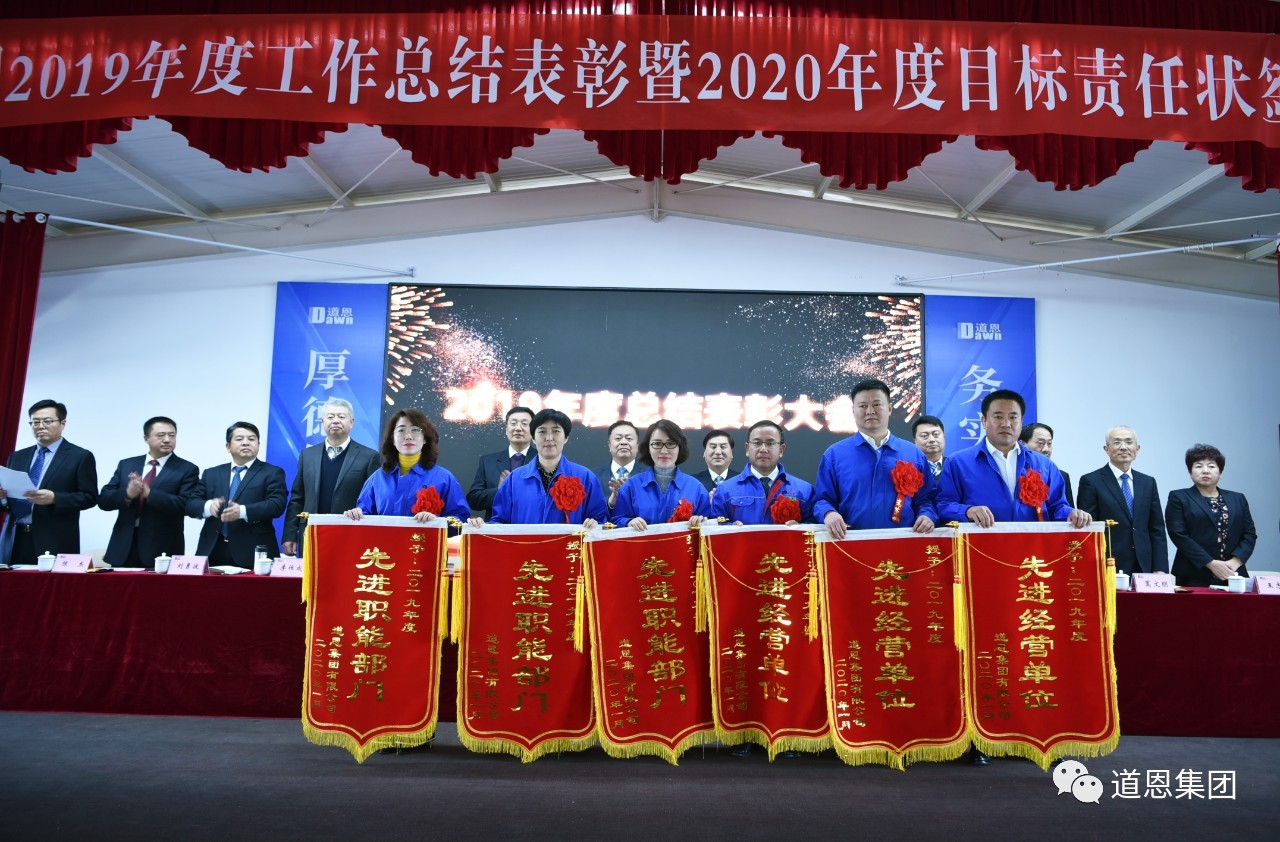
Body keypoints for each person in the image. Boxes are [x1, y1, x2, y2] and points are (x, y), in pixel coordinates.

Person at [938, 391, 1090, 528]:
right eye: (998, 417)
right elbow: (943, 505)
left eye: (1013, 417)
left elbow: (1057, 507)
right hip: (980, 546)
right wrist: (967, 511)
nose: (1006, 424)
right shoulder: (958, 462)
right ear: (984, 421)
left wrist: (1071, 513)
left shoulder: (1044, 465)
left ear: (1021, 421)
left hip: (1033, 547)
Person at [813, 379, 937, 539]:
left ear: (889, 408)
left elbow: (927, 499)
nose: (870, 411)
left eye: (877, 404)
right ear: (853, 410)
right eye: (863, 406)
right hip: (850, 543)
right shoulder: (834, 454)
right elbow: (821, 500)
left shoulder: (913, 453)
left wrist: (927, 515)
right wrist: (829, 513)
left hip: (903, 542)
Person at [0, 399, 98, 566]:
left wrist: (55, 498)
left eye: (47, 421)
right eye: (35, 422)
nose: (40, 426)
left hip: (53, 540)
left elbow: (90, 497)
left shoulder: (80, 456)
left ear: (62, 423)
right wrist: (2, 497)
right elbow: (9, 502)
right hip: (15, 538)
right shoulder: (17, 457)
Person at [474, 408, 607, 526]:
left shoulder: (585, 477)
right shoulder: (514, 479)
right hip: (525, 547)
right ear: (533, 437)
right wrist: (481, 526)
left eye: (556, 431)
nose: (549, 438)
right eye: (542, 431)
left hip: (569, 547)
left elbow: (600, 520)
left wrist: (594, 523)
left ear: (566, 437)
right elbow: (499, 522)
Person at [282, 398, 380, 556]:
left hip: (351, 534)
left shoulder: (369, 457)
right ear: (322, 422)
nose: (335, 420)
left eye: (341, 416)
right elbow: (297, 498)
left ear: (352, 422)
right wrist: (289, 534)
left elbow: (375, 500)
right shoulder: (307, 455)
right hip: (312, 533)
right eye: (330, 416)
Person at [98, 416, 200, 568]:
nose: (167, 439)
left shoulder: (187, 469)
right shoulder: (127, 464)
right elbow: (104, 500)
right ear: (146, 438)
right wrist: (127, 494)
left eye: (172, 435)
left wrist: (150, 494)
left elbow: (187, 505)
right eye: (161, 435)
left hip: (162, 548)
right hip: (124, 546)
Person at [188, 422, 288, 568]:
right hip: (212, 550)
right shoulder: (211, 473)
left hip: (253, 551)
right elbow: (191, 504)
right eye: (239, 439)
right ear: (228, 446)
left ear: (258, 445)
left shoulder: (272, 473)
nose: (246, 442)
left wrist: (242, 511)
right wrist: (209, 507)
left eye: (251, 439)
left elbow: (276, 505)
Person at [345, 409, 469, 522]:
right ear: (393, 439)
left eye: (415, 430)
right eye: (401, 430)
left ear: (425, 438)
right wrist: (355, 514)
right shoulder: (377, 478)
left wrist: (437, 521)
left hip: (425, 540)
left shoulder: (444, 478)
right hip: (384, 540)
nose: (408, 436)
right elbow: (364, 517)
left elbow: (461, 519)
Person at [1077, 426, 1168, 574]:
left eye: (1129, 442)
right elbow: (1089, 529)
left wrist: (1160, 568)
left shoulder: (1148, 482)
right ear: (1106, 449)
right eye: (1117, 442)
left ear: (1137, 448)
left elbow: (1157, 528)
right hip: (1108, 563)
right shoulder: (1091, 481)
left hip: (1144, 564)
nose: (1124, 447)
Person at [1166, 444, 1256, 587]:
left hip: (1233, 573)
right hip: (1194, 574)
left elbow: (1249, 534)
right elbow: (1178, 534)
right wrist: (1210, 563)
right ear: (1190, 472)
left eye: (1212, 466)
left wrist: (1235, 562)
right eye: (1198, 466)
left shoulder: (1238, 498)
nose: (1205, 470)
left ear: (1221, 472)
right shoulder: (1179, 497)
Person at [612, 419, 712, 530]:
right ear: (648, 448)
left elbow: (711, 526)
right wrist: (628, 522)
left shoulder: (696, 488)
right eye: (657, 444)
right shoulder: (631, 486)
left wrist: (701, 521)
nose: (664, 451)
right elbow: (616, 521)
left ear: (679, 447)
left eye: (671, 444)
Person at [711, 420, 815, 525]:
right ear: (747, 448)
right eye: (757, 443)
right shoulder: (725, 490)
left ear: (781, 450)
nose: (763, 449)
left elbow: (816, 527)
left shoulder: (804, 490)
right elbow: (714, 527)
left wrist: (799, 528)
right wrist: (730, 528)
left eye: (770, 443)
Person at [466, 406, 535, 519]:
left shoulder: (543, 461)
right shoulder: (488, 462)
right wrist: (500, 491)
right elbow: (473, 500)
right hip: (497, 527)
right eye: (513, 423)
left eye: (524, 424)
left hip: (532, 526)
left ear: (533, 430)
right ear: (506, 429)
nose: (518, 428)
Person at [1019, 422, 1075, 508]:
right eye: (1040, 443)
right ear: (1022, 444)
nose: (1046, 449)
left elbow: (1067, 511)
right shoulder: (1015, 473)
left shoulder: (1062, 476)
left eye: (1049, 443)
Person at [592, 420, 639, 513]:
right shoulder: (593, 476)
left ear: (637, 446)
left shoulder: (649, 474)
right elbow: (590, 509)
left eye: (629, 438)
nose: (623, 442)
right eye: (618, 438)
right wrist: (611, 502)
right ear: (609, 445)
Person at [692, 430, 735, 494]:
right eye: (713, 447)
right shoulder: (692, 482)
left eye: (723, 447)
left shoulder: (743, 481)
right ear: (704, 453)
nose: (718, 452)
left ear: (731, 453)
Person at [912, 415, 947, 480]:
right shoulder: (910, 468)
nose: (931, 440)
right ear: (915, 441)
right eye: (924, 436)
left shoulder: (954, 466)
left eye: (936, 434)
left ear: (944, 437)